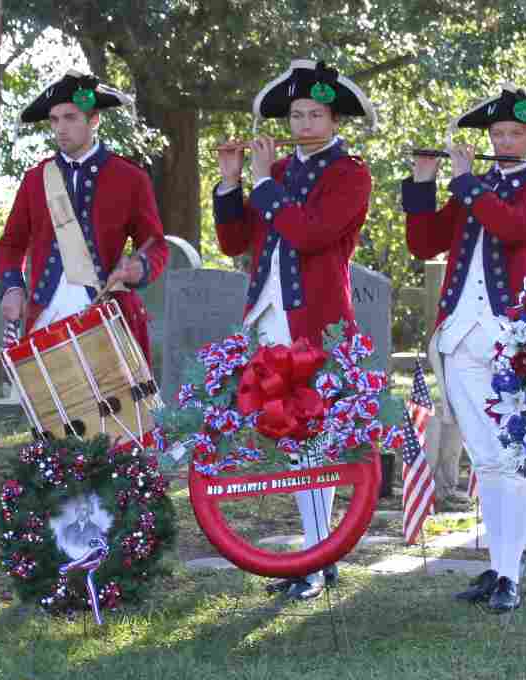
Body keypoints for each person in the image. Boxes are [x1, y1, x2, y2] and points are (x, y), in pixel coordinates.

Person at [402, 83, 526, 613]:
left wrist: (466, 184)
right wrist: (423, 183)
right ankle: (497, 568)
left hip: (513, 342)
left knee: (515, 458)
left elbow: (516, 226)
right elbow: (423, 243)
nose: (502, 140)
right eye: (497, 132)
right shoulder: (471, 186)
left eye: (513, 133)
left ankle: (509, 573)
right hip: (459, 336)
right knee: (486, 457)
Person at [213, 59, 376, 601]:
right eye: (297, 114)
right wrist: (232, 183)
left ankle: (315, 559)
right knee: (292, 440)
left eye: (315, 114)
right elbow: (235, 244)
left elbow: (310, 235)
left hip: (317, 321)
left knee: (316, 442)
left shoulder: (350, 173)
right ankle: (316, 557)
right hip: (268, 318)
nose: (303, 123)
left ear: (333, 120)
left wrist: (262, 183)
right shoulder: (275, 173)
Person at [0, 71, 168, 367]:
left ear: (94, 120)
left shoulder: (130, 178)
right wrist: (13, 288)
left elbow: (156, 246)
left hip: (105, 316)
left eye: (70, 118)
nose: (60, 128)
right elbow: (11, 244)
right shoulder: (36, 180)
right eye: (54, 120)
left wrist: (138, 267)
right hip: (44, 317)